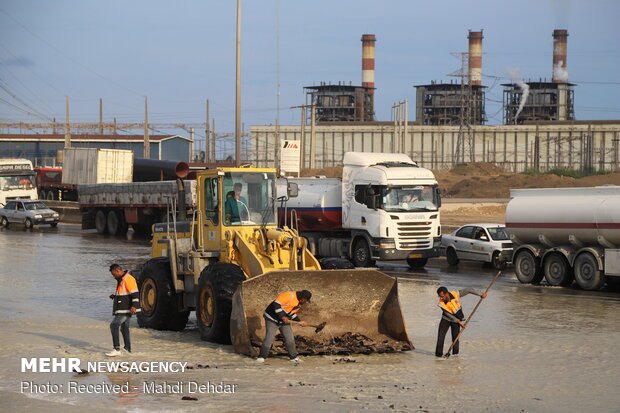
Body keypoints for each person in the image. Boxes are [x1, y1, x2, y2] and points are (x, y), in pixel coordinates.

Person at [256, 290, 312, 363]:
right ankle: (261, 357)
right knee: (269, 337)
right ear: (302, 299)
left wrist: (299, 321)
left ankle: (293, 357)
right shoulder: (289, 295)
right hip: (271, 318)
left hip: (283, 321)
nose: (306, 302)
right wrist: (282, 316)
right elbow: (276, 304)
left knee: (290, 338)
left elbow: (291, 313)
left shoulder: (299, 303)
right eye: (306, 300)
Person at [435, 286, 486, 358]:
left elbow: (469, 289)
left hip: (456, 320)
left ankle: (455, 356)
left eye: (442, 296)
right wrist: (460, 322)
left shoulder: (455, 294)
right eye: (440, 297)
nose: (441, 298)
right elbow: (448, 315)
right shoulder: (441, 303)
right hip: (445, 319)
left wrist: (480, 294)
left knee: (455, 338)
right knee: (440, 338)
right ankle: (438, 356)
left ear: (447, 294)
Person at [106, 263, 141, 357]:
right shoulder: (121, 279)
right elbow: (125, 293)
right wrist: (115, 296)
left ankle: (116, 348)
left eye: (113, 274)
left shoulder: (128, 279)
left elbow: (135, 293)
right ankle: (127, 349)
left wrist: (134, 306)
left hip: (125, 309)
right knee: (124, 328)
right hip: (123, 307)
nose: (113, 276)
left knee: (114, 325)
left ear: (118, 271)